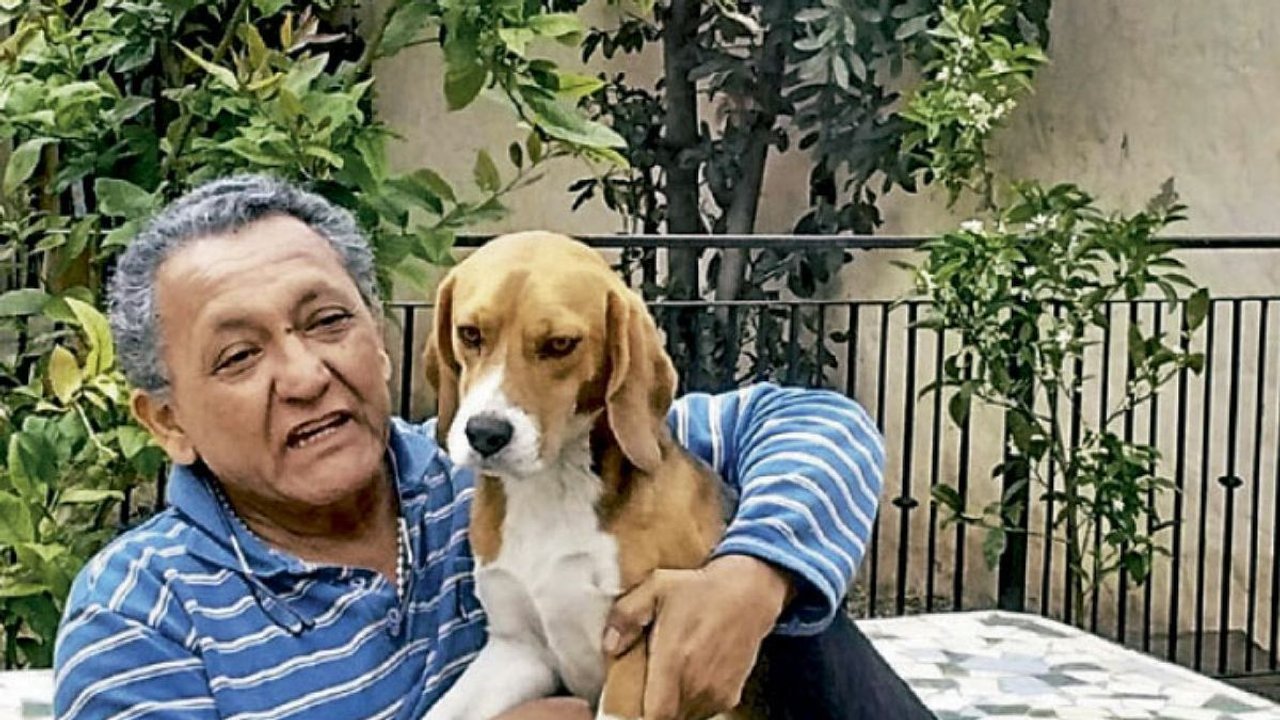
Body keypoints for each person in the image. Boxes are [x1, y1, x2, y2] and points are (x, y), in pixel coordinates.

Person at [53, 174, 931, 719]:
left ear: (384, 342)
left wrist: (753, 576)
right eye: (239, 356)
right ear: (166, 420)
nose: (306, 374)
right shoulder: (140, 616)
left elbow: (818, 427)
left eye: (327, 322)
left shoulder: (507, 462)